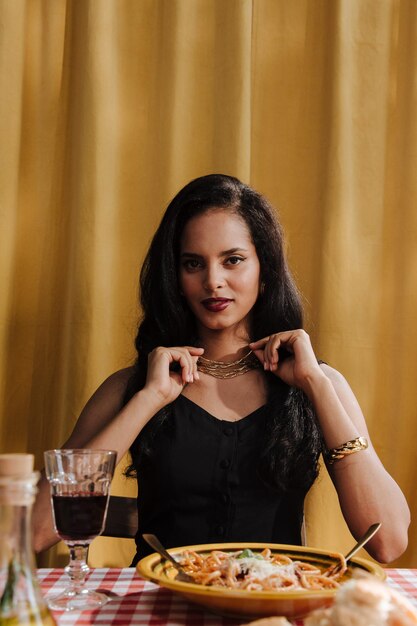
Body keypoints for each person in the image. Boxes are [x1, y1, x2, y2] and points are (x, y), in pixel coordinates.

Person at [33, 174, 410, 564]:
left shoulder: (318, 381)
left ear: (265, 270)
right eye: (193, 263)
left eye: (233, 260)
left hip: (273, 612)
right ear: (175, 278)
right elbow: (35, 532)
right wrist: (148, 400)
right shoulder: (131, 387)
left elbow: (389, 541)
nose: (213, 281)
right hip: (159, 610)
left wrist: (315, 384)